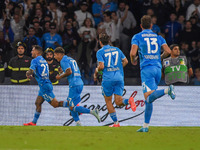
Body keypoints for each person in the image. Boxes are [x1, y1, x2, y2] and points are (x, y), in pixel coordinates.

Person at [130, 15, 176, 132]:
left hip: (147, 70)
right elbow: (168, 51)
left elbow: (132, 53)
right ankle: (145, 127)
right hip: (157, 69)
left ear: (141, 26)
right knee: (149, 99)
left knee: (149, 97)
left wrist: (133, 60)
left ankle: (167, 90)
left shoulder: (137, 37)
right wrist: (159, 57)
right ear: (151, 26)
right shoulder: (158, 37)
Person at [94, 33, 136, 127]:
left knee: (108, 101)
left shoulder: (100, 52)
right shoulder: (117, 49)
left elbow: (101, 66)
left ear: (100, 42)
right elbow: (125, 61)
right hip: (119, 77)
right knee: (118, 101)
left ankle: (116, 123)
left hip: (108, 79)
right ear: (109, 41)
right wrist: (118, 68)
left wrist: (96, 71)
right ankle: (129, 101)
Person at [54, 47, 101, 126]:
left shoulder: (63, 60)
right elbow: (71, 71)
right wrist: (63, 72)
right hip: (79, 82)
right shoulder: (71, 59)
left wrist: (60, 76)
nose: (55, 57)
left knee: (71, 107)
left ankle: (92, 112)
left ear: (59, 54)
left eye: (55, 55)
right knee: (70, 105)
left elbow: (69, 71)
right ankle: (78, 123)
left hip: (74, 84)